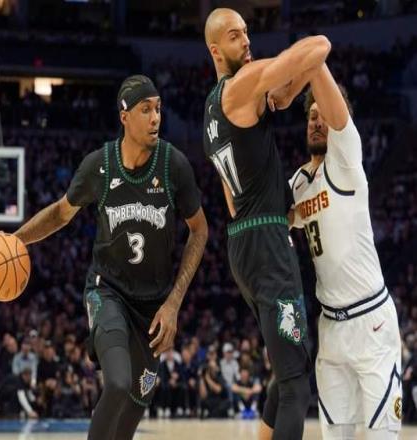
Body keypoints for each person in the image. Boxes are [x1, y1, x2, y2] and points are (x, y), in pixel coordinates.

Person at [0, 74, 208, 440]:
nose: (155, 118)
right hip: (108, 291)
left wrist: (174, 304)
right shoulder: (98, 165)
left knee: (135, 405)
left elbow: (200, 230)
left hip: (154, 305)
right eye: (145, 109)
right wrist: (15, 239)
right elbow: (60, 213)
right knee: (117, 383)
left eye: (158, 109)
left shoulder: (173, 165)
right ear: (124, 116)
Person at [203, 7, 330, 439]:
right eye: (235, 36)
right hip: (266, 242)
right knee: (296, 383)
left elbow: (229, 195)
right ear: (216, 50)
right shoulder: (242, 83)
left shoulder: (211, 109)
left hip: (242, 241)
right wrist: (293, 76)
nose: (247, 41)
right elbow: (319, 46)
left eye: (247, 32)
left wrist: (285, 91)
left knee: (287, 364)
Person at [274, 64, 402, 439]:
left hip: (371, 322)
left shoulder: (345, 160)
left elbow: (331, 95)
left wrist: (306, 68)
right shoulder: (298, 182)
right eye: (311, 117)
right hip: (330, 327)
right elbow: (277, 220)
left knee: (382, 434)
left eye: (323, 115)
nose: (317, 122)